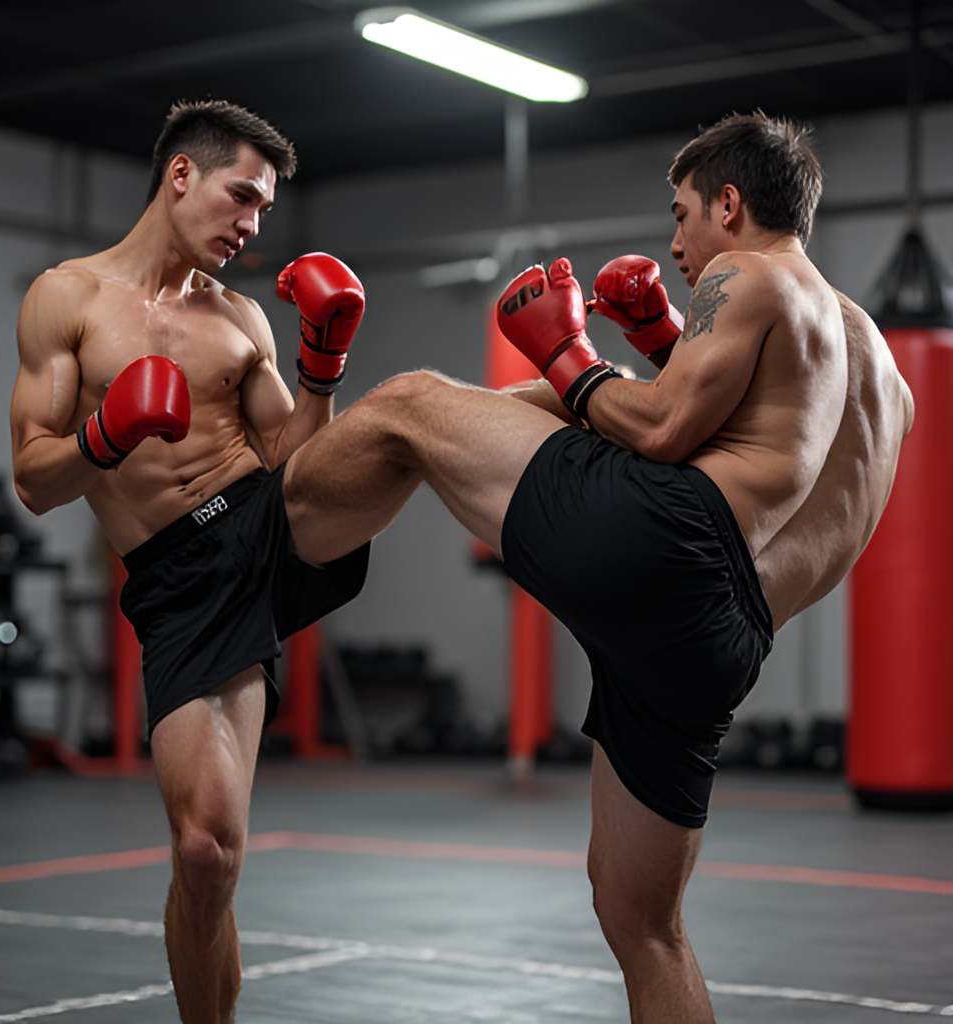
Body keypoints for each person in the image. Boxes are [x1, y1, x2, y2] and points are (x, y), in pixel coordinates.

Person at [279, 112, 913, 1023]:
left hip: (668, 547)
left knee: (413, 404)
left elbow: (663, 432)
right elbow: (768, 456)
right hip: (726, 639)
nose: (675, 245)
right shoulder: (880, 371)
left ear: (729, 205)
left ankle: (259, 535)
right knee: (643, 923)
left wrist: (566, 352)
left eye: (682, 215)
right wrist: (660, 340)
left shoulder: (749, 272)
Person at [11, 100, 372, 1024]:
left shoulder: (242, 317)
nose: (253, 224)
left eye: (264, 208)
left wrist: (323, 365)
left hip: (262, 528)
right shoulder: (66, 299)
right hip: (177, 579)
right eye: (242, 196)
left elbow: (297, 461)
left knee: (405, 417)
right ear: (181, 175)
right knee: (207, 854)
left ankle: (574, 413)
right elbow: (33, 480)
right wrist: (105, 433)